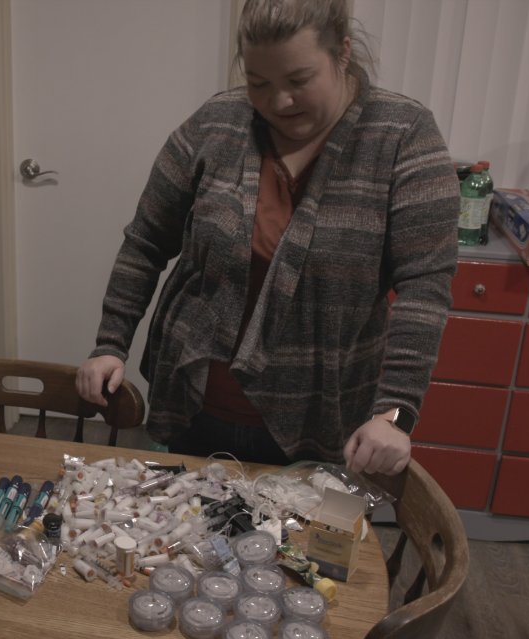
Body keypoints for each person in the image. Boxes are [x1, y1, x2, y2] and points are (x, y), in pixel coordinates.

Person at [75, 0, 458, 476]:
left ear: (342, 53)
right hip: (193, 404)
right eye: (259, 83)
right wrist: (110, 343)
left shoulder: (402, 135)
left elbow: (425, 286)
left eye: (299, 81)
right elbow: (147, 241)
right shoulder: (217, 121)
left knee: (292, 549)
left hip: (317, 419)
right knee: (181, 539)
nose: (278, 102)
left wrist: (394, 413)